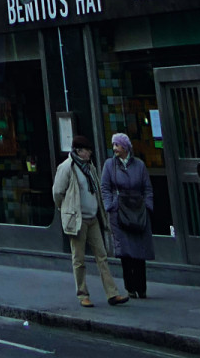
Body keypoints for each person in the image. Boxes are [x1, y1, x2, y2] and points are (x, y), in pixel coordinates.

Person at [52, 133, 127, 307]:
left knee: (102, 256)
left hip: (92, 218)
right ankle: (82, 295)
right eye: (87, 150)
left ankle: (112, 293)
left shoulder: (89, 167)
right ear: (79, 151)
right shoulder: (67, 167)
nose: (90, 153)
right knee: (79, 259)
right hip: (77, 219)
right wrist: (66, 209)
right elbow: (57, 192)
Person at [101, 132, 155, 299]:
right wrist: (110, 205)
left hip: (138, 210)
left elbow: (147, 188)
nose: (114, 148)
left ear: (125, 147)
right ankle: (130, 287)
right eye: (113, 145)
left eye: (117, 145)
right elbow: (105, 187)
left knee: (139, 249)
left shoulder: (139, 165)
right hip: (119, 210)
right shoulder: (110, 165)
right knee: (125, 251)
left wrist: (147, 206)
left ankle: (141, 287)